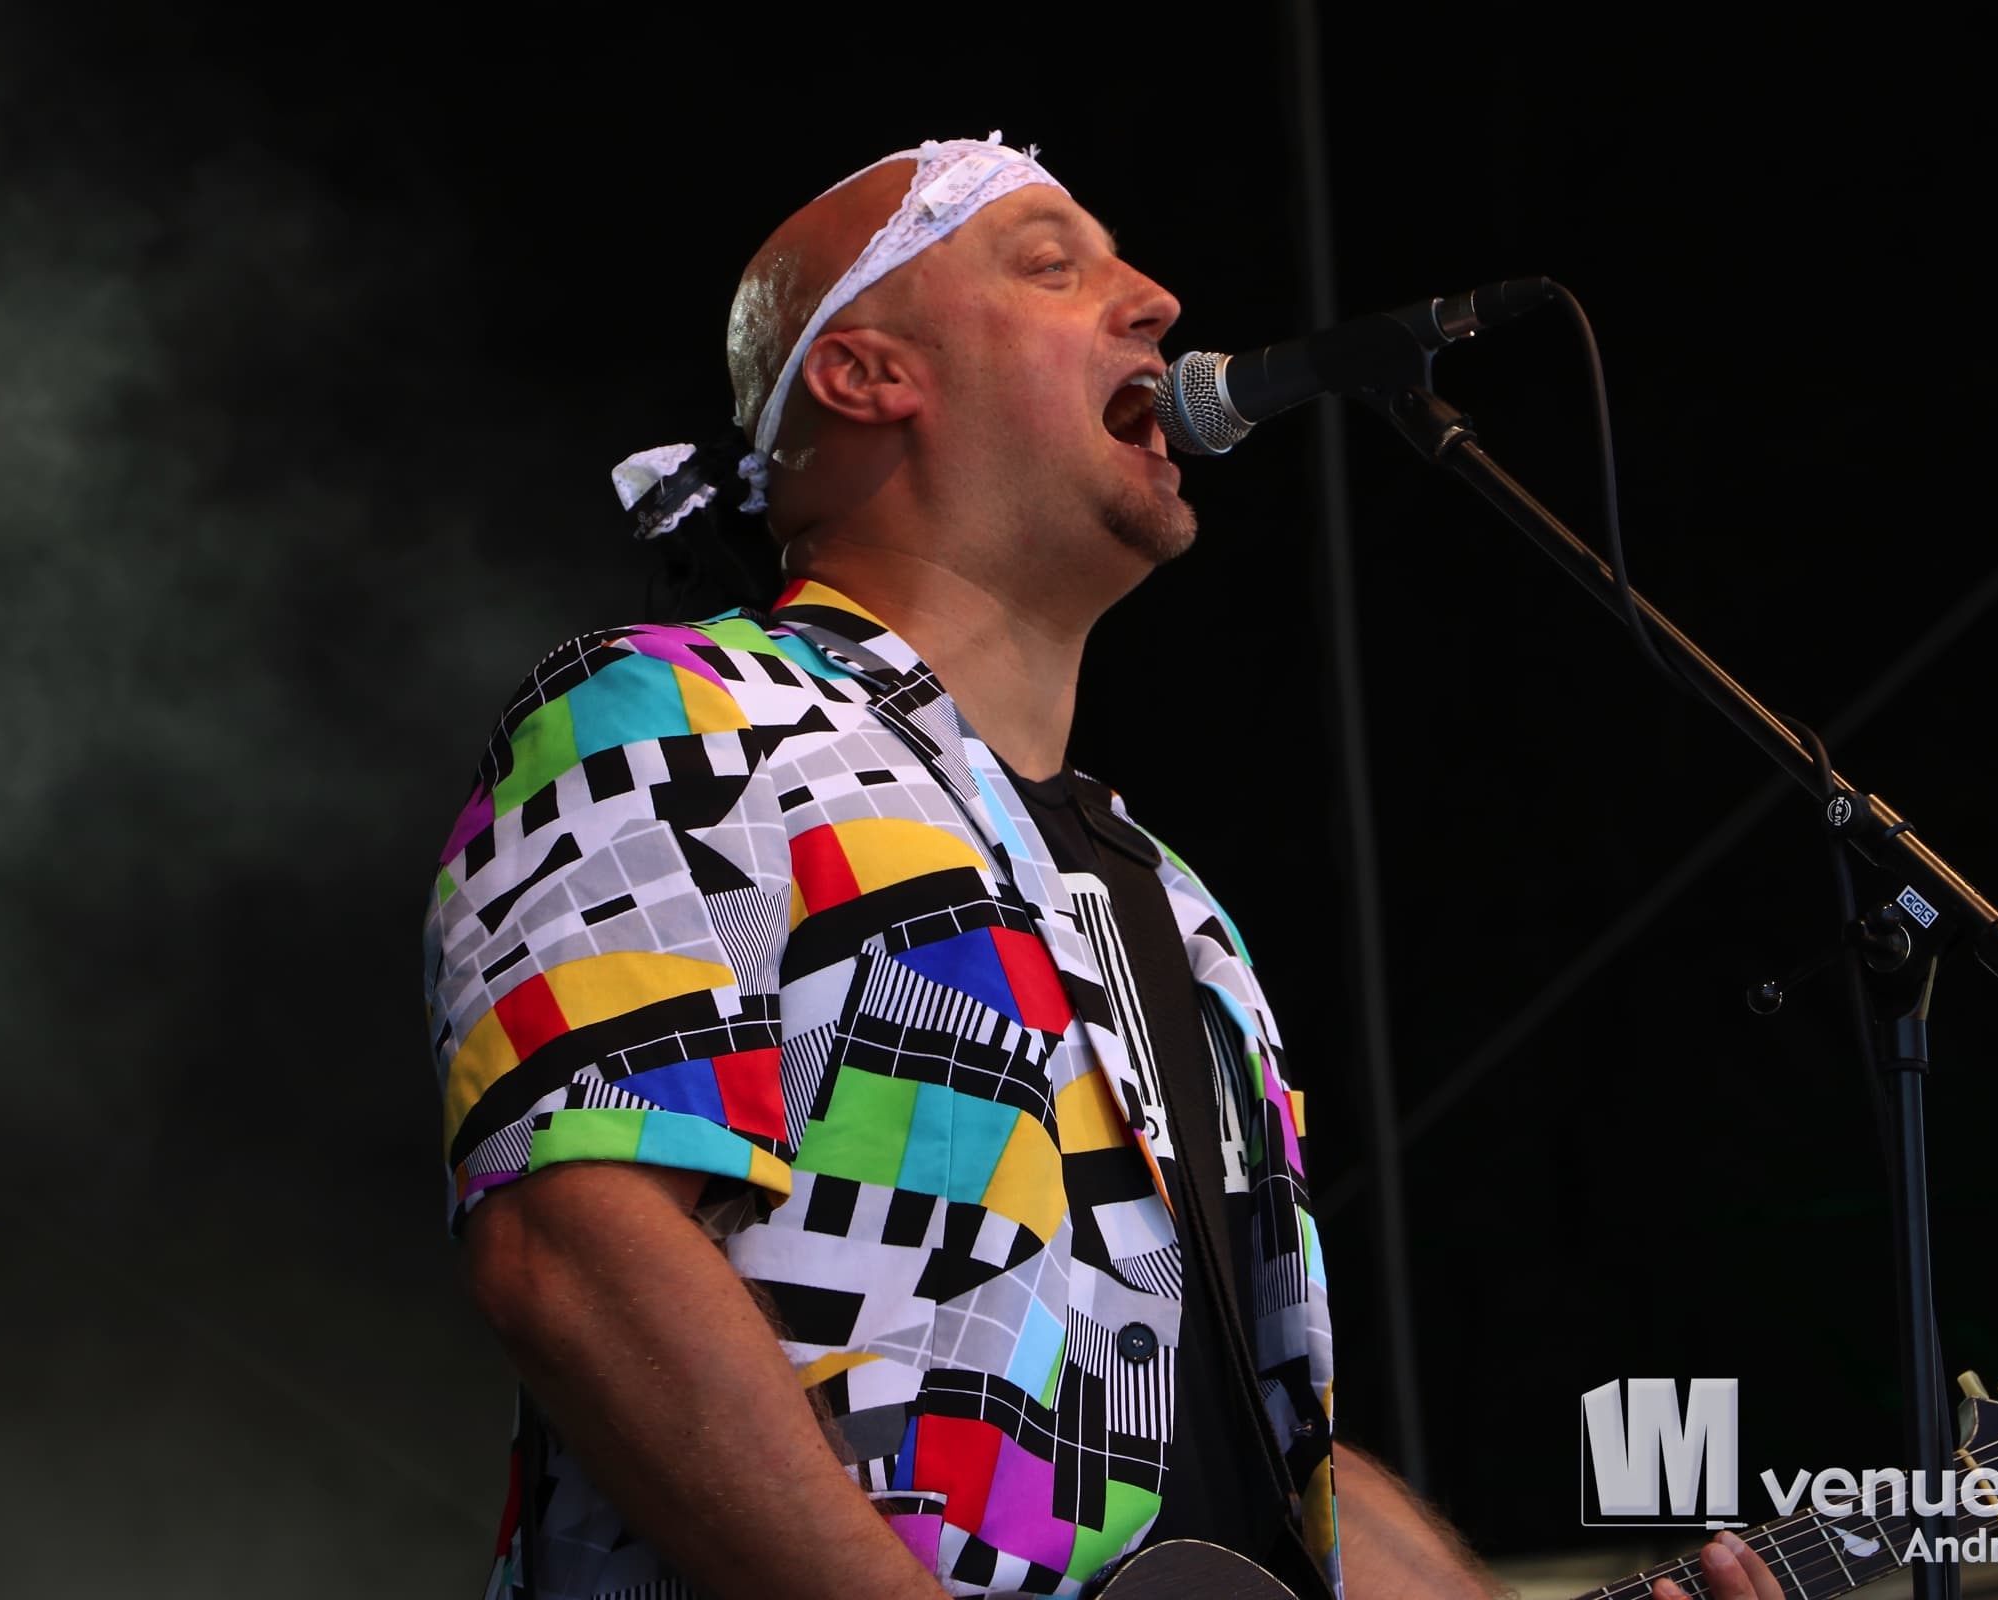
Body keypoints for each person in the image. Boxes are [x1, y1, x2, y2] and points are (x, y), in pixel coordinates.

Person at [422, 132, 1785, 1600]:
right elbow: (578, 1253)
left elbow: (1249, 1464)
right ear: (868, 374)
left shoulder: (1167, 905)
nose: (1157, 302)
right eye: (1052, 267)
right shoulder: (680, 714)